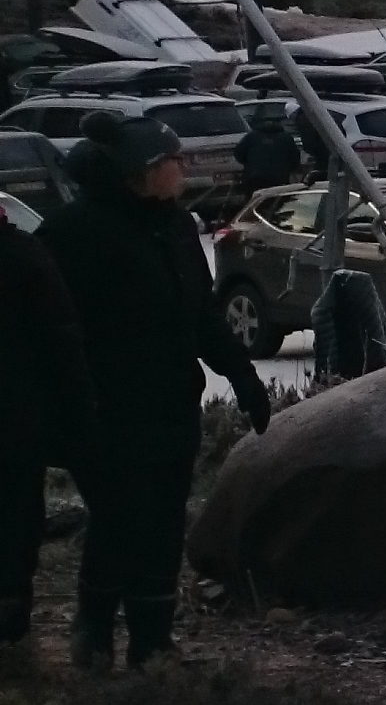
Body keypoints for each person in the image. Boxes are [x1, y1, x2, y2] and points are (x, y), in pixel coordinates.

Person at [42, 112, 270, 671]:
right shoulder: (75, 233)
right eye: (173, 160)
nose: (183, 169)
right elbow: (49, 328)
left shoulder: (173, 227)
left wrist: (241, 374)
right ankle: (94, 630)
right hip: (105, 408)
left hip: (170, 403)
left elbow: (201, 315)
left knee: (164, 520)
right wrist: (66, 404)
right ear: (141, 171)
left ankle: (151, 641)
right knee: (122, 517)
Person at [0, 206, 91, 670]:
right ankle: (12, 616)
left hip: (16, 418)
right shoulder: (23, 254)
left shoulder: (25, 254)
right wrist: (76, 410)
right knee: (16, 515)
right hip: (15, 419)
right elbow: (60, 338)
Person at [234, 100, 303, 198]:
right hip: (279, 179)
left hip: (254, 178)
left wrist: (250, 164)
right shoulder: (285, 137)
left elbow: (238, 153)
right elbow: (295, 158)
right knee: (277, 204)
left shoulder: (252, 136)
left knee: (255, 203)